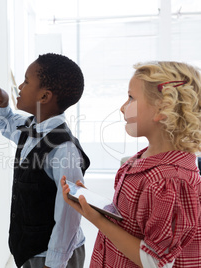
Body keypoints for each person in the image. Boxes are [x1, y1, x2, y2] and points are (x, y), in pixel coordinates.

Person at [61, 61, 201, 267]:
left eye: (131, 98)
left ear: (163, 108)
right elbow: (134, 219)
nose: (122, 107)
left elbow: (155, 261)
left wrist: (97, 220)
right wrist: (97, 208)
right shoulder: (144, 158)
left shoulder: (172, 181)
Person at [0, 53, 90, 268]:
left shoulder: (63, 149)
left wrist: (54, 262)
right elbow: (7, 123)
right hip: (32, 252)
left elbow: (69, 214)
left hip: (54, 255)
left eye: (26, 81)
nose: (20, 87)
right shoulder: (31, 128)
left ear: (44, 97)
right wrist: (3, 104)